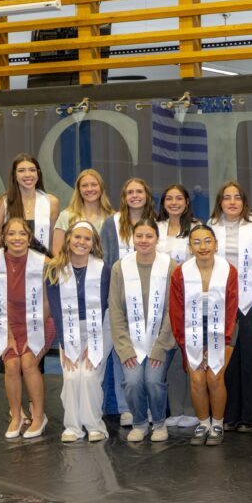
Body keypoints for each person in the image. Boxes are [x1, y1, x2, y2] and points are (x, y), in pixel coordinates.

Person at [0, 217, 55, 439]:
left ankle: (38, 417)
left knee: (28, 361)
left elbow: (47, 302)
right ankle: (16, 416)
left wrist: (34, 331)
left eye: (22, 233)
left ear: (29, 237)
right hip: (8, 322)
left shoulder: (43, 263)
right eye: (11, 234)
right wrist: (8, 335)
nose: (17, 238)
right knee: (12, 364)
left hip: (40, 320)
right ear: (4, 238)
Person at [170, 224, 239, 447]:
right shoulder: (180, 273)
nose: (203, 246)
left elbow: (231, 308)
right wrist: (184, 342)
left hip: (224, 328)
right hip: (192, 328)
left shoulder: (229, 270)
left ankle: (217, 423)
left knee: (215, 376)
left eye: (208, 241)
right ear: (190, 247)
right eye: (197, 242)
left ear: (216, 244)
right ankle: (203, 424)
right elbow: (176, 310)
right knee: (198, 378)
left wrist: (221, 341)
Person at [108, 219, 177, 443]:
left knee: (153, 380)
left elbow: (172, 310)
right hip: (131, 341)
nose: (144, 240)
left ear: (157, 239)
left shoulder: (170, 266)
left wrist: (160, 347)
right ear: (132, 239)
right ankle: (139, 423)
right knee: (133, 381)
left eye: (149, 236)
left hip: (161, 340)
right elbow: (116, 312)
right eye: (139, 236)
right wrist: (125, 349)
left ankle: (158, 422)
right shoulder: (120, 267)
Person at [45, 221, 111, 443]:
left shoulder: (103, 269)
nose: (81, 242)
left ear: (93, 243)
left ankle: (95, 426)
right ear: (69, 239)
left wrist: (92, 344)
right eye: (77, 237)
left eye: (87, 239)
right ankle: (73, 426)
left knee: (90, 376)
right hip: (69, 330)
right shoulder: (55, 269)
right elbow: (55, 309)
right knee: (73, 376)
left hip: (99, 329)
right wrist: (65, 344)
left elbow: (105, 307)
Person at [209, 181, 252, 433]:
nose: (232, 202)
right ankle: (229, 413)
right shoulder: (209, 228)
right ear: (219, 202)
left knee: (251, 357)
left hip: (251, 298)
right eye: (226, 197)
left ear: (244, 202)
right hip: (220, 301)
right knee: (226, 360)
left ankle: (251, 414)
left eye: (237, 197)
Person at [100, 177, 157, 427]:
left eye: (139, 191)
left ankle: (151, 406)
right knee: (120, 353)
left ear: (147, 195)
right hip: (121, 298)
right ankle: (126, 406)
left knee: (150, 351)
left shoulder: (159, 222)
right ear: (123, 197)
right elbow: (104, 261)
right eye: (130, 192)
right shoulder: (111, 224)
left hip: (152, 298)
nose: (135, 195)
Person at [157, 183, 201, 430]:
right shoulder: (155, 227)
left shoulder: (196, 227)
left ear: (186, 202)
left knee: (190, 352)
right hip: (159, 299)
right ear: (163, 202)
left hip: (188, 299)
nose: (174, 203)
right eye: (169, 198)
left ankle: (192, 408)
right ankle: (175, 409)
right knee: (170, 354)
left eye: (179, 198)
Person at [0, 153, 59, 254]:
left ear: (38, 173)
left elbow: (53, 241)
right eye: (21, 171)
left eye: (32, 170)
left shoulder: (51, 202)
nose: (28, 175)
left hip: (42, 264)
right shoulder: (2, 202)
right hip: (10, 264)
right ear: (14, 175)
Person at [51, 168, 115, 254]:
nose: (89, 189)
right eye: (84, 186)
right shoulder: (65, 216)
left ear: (101, 187)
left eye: (94, 184)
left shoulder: (112, 218)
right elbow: (57, 252)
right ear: (79, 190)